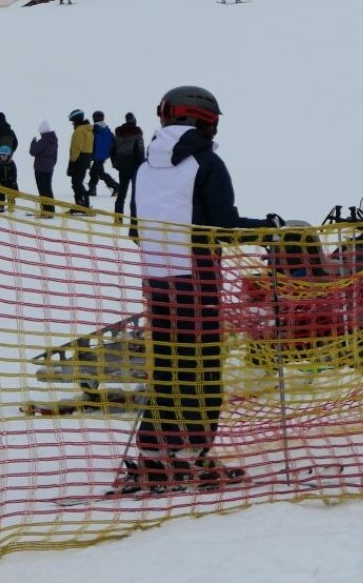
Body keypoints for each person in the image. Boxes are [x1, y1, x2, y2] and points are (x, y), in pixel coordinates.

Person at [122, 84, 283, 490]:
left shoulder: (143, 168)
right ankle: (194, 454)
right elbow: (223, 226)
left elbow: (137, 228)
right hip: (197, 282)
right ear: (204, 123)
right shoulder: (207, 164)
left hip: (157, 283)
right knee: (202, 367)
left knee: (168, 367)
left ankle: (156, 454)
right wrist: (268, 228)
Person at [111, 112, 145, 216]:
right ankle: (134, 219)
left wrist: (115, 163)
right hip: (134, 166)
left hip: (122, 165)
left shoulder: (119, 132)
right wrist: (141, 164)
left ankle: (118, 217)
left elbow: (113, 150)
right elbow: (140, 150)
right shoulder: (137, 132)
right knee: (135, 194)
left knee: (121, 193)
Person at [28, 120, 58, 216]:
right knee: (48, 189)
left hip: (40, 168)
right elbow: (55, 157)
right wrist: (51, 165)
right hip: (49, 168)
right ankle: (51, 210)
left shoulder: (43, 141)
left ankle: (45, 211)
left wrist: (33, 142)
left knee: (42, 190)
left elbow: (33, 151)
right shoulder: (54, 140)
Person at [66, 109, 93, 212]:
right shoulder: (88, 130)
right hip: (86, 159)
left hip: (79, 159)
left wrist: (72, 161)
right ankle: (81, 204)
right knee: (78, 182)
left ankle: (83, 204)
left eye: (73, 121)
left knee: (76, 183)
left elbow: (76, 147)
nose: (72, 123)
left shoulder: (79, 131)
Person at [87, 110, 118, 197]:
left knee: (100, 173)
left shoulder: (94, 129)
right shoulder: (107, 130)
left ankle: (115, 186)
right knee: (94, 172)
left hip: (96, 155)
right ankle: (92, 189)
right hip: (103, 155)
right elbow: (113, 141)